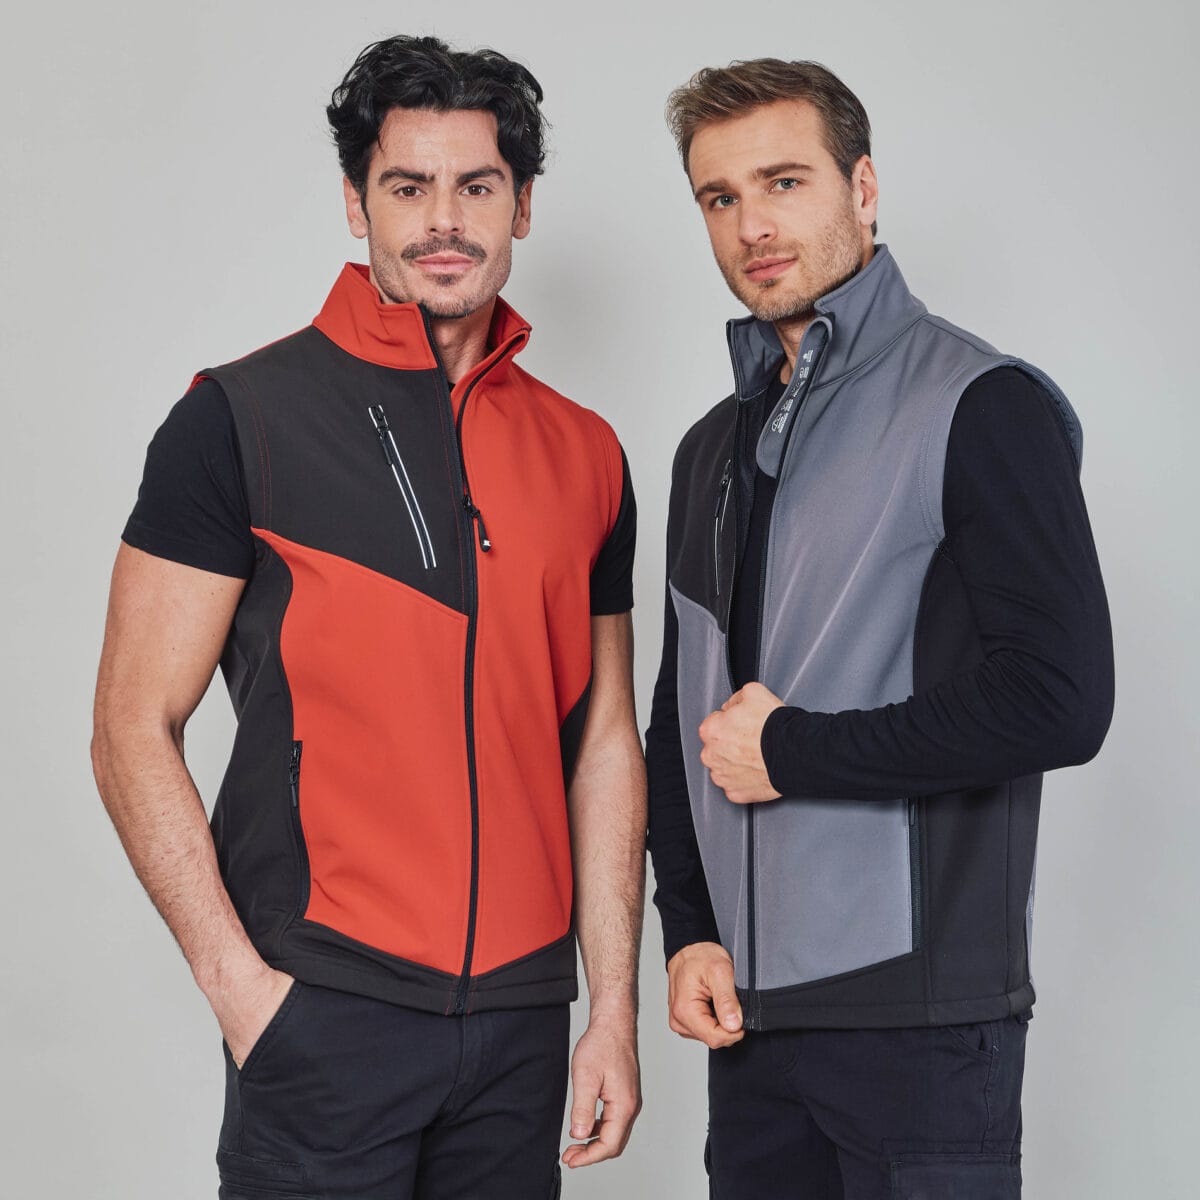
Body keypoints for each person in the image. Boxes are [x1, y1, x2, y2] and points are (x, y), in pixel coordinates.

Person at [91, 34, 644, 1199]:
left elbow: (603, 740)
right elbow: (130, 727)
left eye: (477, 186)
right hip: (325, 1013)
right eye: (407, 186)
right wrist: (242, 993)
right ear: (357, 203)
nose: (443, 219)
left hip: (521, 1026)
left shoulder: (587, 454)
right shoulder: (238, 419)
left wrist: (611, 1010)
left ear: (522, 205)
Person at [645, 58, 1113, 1199]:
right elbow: (680, 717)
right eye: (719, 197)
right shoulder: (708, 450)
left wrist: (796, 751)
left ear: (861, 188)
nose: (753, 226)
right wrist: (689, 927)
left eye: (785, 182)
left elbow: (1059, 699)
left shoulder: (980, 404)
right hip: (751, 1031)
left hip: (923, 1028)